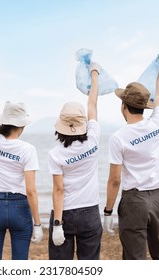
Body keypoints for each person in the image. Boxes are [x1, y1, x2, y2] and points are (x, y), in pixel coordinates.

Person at [103, 54, 159, 260]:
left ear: (123, 106)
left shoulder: (118, 137)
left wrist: (108, 212)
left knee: (134, 258)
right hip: (158, 197)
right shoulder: (156, 123)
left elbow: (114, 180)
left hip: (134, 200)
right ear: (143, 107)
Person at [0, 52, 43, 260]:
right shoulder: (27, 150)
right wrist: (38, 224)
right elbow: (31, 190)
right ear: (22, 125)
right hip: (19, 207)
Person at [48, 62, 103, 260]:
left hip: (65, 215)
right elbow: (92, 105)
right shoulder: (93, 139)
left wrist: (56, 225)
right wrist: (94, 74)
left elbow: (59, 190)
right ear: (83, 125)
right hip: (90, 212)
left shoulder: (55, 154)